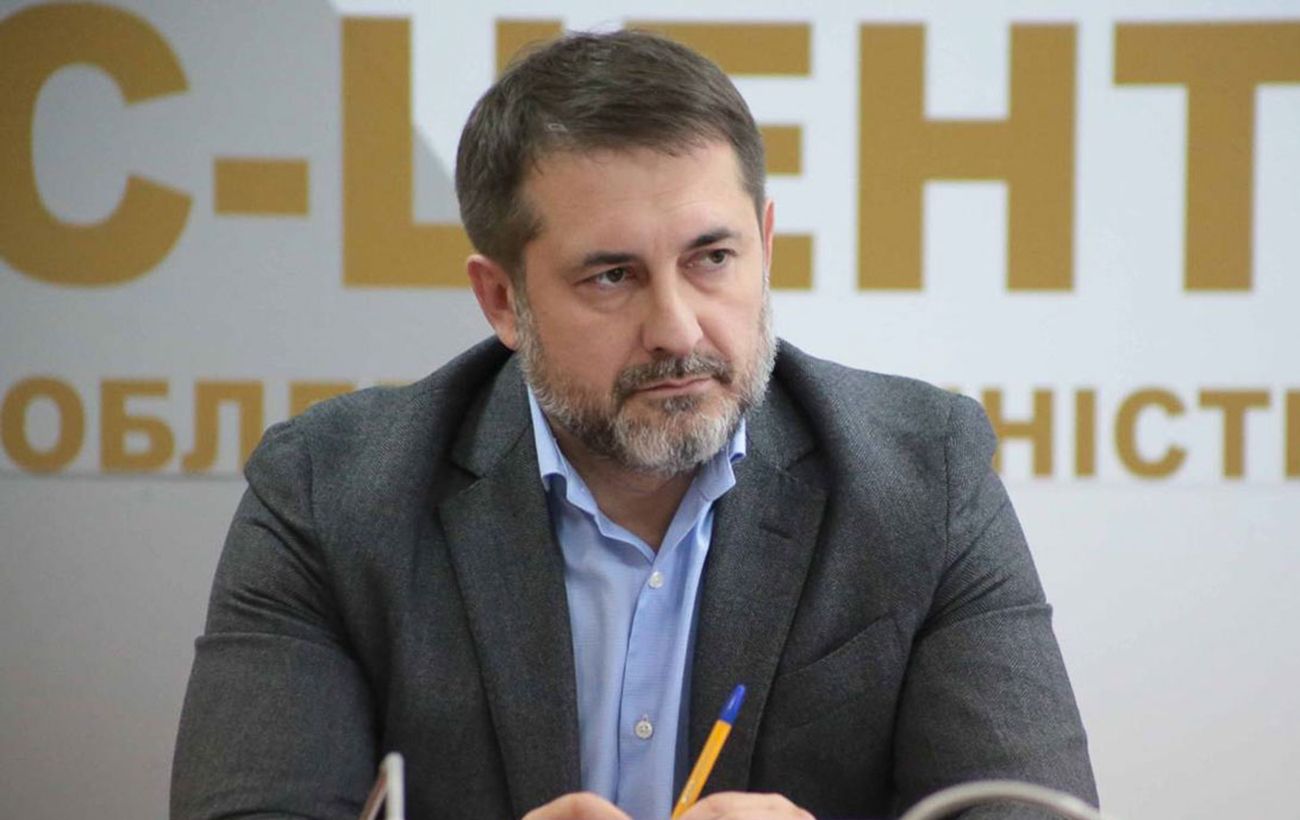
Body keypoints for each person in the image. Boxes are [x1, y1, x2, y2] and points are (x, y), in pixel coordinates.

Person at [171, 30, 1096, 820]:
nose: (678, 330)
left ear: (766, 246)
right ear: (503, 300)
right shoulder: (332, 497)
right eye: (612, 276)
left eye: (712, 258)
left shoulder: (923, 478)